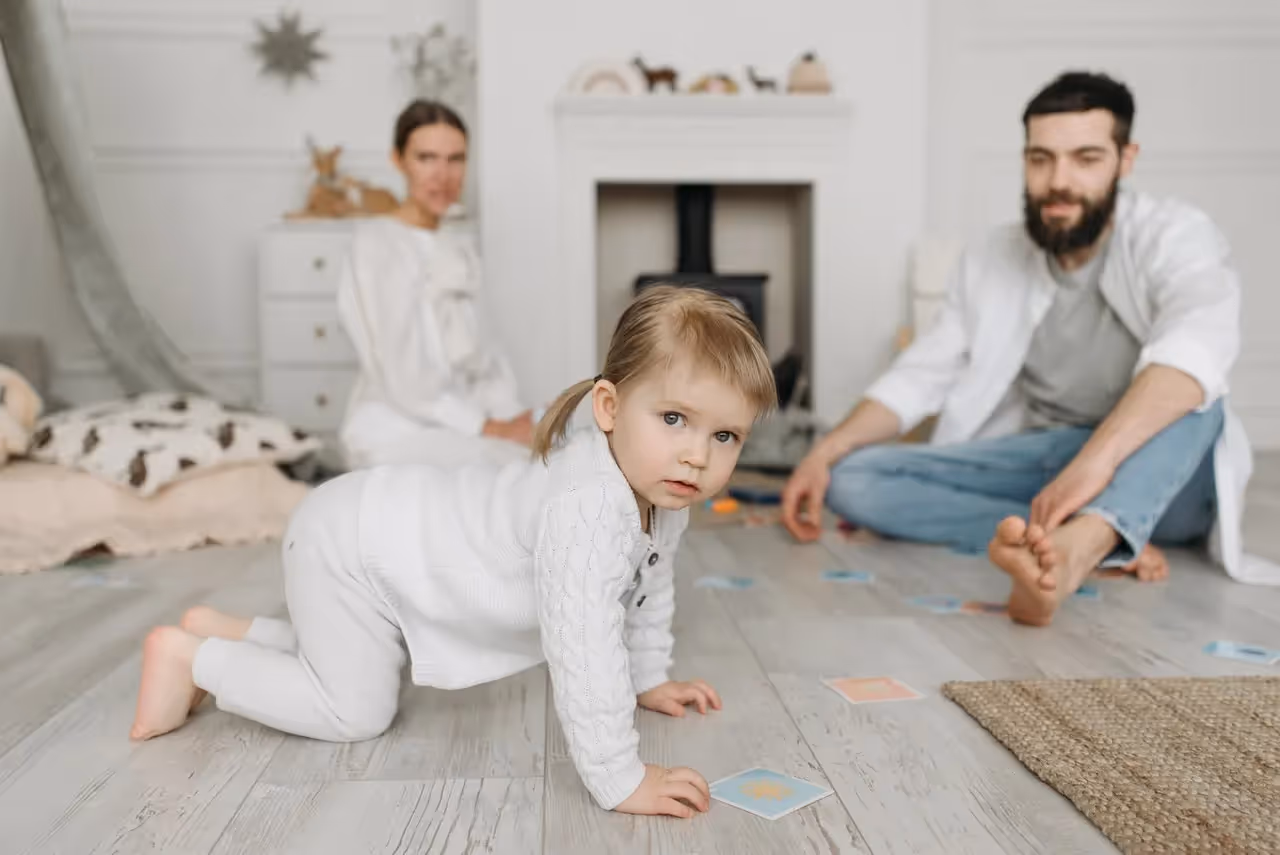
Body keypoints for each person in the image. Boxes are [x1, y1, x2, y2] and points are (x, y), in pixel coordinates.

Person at [129, 285, 777, 818]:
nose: (698, 454)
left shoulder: (662, 492)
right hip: (352, 543)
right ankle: (196, 660)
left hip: (372, 532)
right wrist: (620, 775)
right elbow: (583, 648)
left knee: (361, 657)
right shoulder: (588, 508)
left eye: (725, 435)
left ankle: (232, 631)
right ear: (609, 407)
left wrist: (650, 676)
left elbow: (648, 585)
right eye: (674, 419)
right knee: (356, 708)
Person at [781, 71, 1278, 626]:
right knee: (854, 479)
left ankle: (1085, 543)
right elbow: (921, 375)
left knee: (1195, 394)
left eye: (1085, 158)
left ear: (1125, 158)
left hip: (1163, 470)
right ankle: (1079, 536)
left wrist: (1095, 464)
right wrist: (824, 453)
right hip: (1044, 463)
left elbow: (1196, 350)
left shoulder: (1177, 235)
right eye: (1040, 159)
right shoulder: (995, 254)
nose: (1058, 181)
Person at [337, 99, 534, 469]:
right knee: (505, 476)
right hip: (399, 421)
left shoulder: (459, 249)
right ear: (398, 161)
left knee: (553, 455)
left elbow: (487, 357)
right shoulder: (377, 245)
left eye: (455, 159)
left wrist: (514, 416)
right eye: (426, 158)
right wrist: (488, 427)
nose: (442, 175)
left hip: (465, 418)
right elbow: (403, 373)